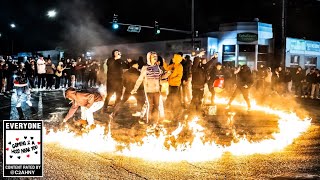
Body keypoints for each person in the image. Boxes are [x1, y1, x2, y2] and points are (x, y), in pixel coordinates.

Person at [131, 51, 164, 124]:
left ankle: (155, 121)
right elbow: (140, 79)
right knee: (150, 106)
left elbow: (161, 77)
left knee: (157, 106)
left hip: (157, 90)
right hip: (149, 90)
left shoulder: (157, 67)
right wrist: (135, 89)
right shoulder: (145, 68)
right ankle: (149, 121)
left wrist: (167, 74)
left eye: (156, 56)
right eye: (153, 57)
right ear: (149, 58)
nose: (155, 58)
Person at [163, 53, 184, 119]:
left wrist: (171, 79)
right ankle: (169, 108)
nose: (173, 59)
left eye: (174, 58)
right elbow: (167, 68)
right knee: (170, 96)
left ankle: (174, 110)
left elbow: (179, 76)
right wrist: (164, 62)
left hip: (175, 85)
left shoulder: (179, 66)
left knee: (172, 97)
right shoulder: (173, 65)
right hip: (171, 84)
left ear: (177, 59)